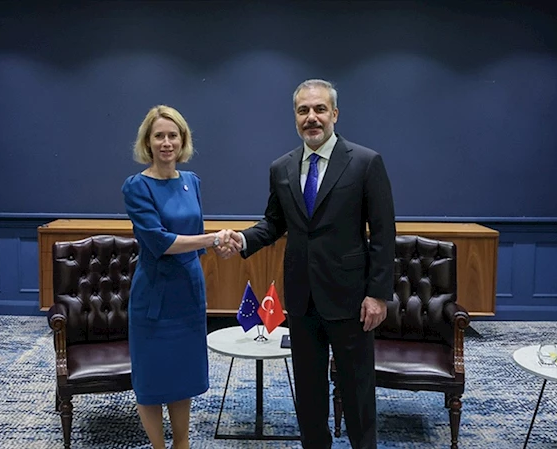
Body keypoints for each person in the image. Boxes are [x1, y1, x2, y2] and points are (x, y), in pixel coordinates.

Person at [228, 79, 396, 449]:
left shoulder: (365, 162)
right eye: (303, 110)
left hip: (352, 299)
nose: (312, 117)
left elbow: (384, 234)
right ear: (295, 117)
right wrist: (243, 239)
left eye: (320, 109)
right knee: (309, 393)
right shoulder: (281, 167)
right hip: (302, 299)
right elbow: (273, 223)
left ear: (334, 114)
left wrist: (378, 295)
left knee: (356, 390)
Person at [121, 105, 233, 449]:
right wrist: (212, 240)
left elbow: (195, 236)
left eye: (173, 135)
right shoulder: (137, 186)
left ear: (183, 140)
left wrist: (218, 247)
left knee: (182, 378)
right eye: (159, 136)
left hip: (189, 292)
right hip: (155, 296)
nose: (166, 142)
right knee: (152, 380)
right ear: (148, 142)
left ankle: (181, 444)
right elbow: (160, 242)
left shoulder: (191, 182)